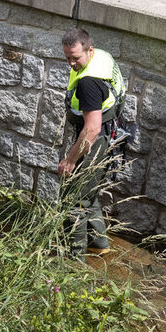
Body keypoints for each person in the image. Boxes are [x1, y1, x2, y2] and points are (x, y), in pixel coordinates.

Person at [57, 27, 126, 255]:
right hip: (109, 131)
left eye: (75, 58)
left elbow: (92, 129)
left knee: (74, 200)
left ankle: (74, 260)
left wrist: (70, 160)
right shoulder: (101, 57)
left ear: (89, 50)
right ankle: (99, 246)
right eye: (67, 58)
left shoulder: (89, 82)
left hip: (95, 138)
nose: (71, 64)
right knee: (87, 191)